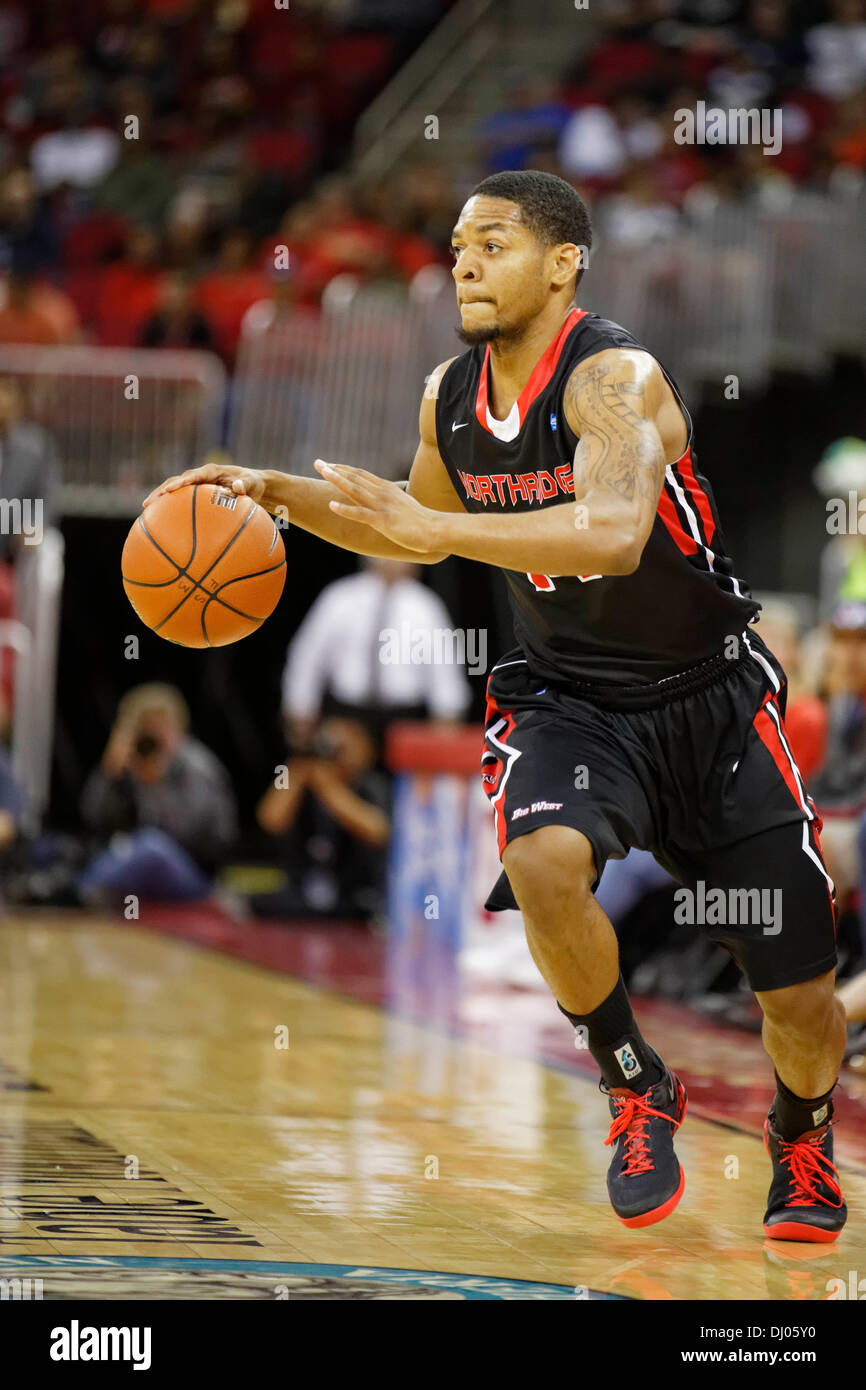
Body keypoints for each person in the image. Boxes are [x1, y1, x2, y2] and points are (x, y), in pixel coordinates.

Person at [147, 169, 846, 1242]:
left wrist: (441, 534)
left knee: (797, 1001)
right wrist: (277, 492)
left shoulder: (615, 381)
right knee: (539, 863)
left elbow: (610, 532)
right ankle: (631, 1083)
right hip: (570, 699)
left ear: (564, 263)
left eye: (494, 243)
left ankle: (797, 1132)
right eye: (457, 246)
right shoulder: (446, 397)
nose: (463, 262)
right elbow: (404, 524)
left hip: (708, 699)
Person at [79, 683, 237, 904]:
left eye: (158, 726)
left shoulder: (197, 766)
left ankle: (81, 891)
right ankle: (83, 888)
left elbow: (186, 834)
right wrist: (108, 774)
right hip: (134, 861)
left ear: (177, 727)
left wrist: (155, 785)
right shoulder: (131, 762)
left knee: (151, 846)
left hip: (195, 873)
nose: (151, 736)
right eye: (144, 727)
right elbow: (91, 817)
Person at [253, 715, 390, 921]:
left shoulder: (373, 785)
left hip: (354, 896)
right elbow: (270, 820)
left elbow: (378, 830)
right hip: (302, 893)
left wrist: (329, 788)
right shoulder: (295, 776)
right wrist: (299, 767)